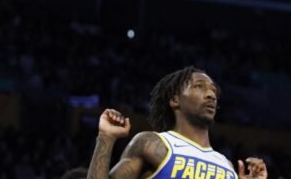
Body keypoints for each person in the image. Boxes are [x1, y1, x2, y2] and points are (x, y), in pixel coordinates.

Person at [87, 66, 267, 179]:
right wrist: (106, 138)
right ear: (175, 100)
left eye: (213, 91)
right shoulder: (151, 144)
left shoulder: (227, 165)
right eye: (199, 86)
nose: (211, 95)